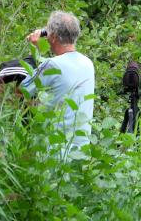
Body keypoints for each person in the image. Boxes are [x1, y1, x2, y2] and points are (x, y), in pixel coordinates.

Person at [21, 10, 95, 155]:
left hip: (54, 152)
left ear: (53, 37)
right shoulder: (88, 63)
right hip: (81, 150)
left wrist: (34, 51)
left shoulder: (52, 65)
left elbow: (23, 89)